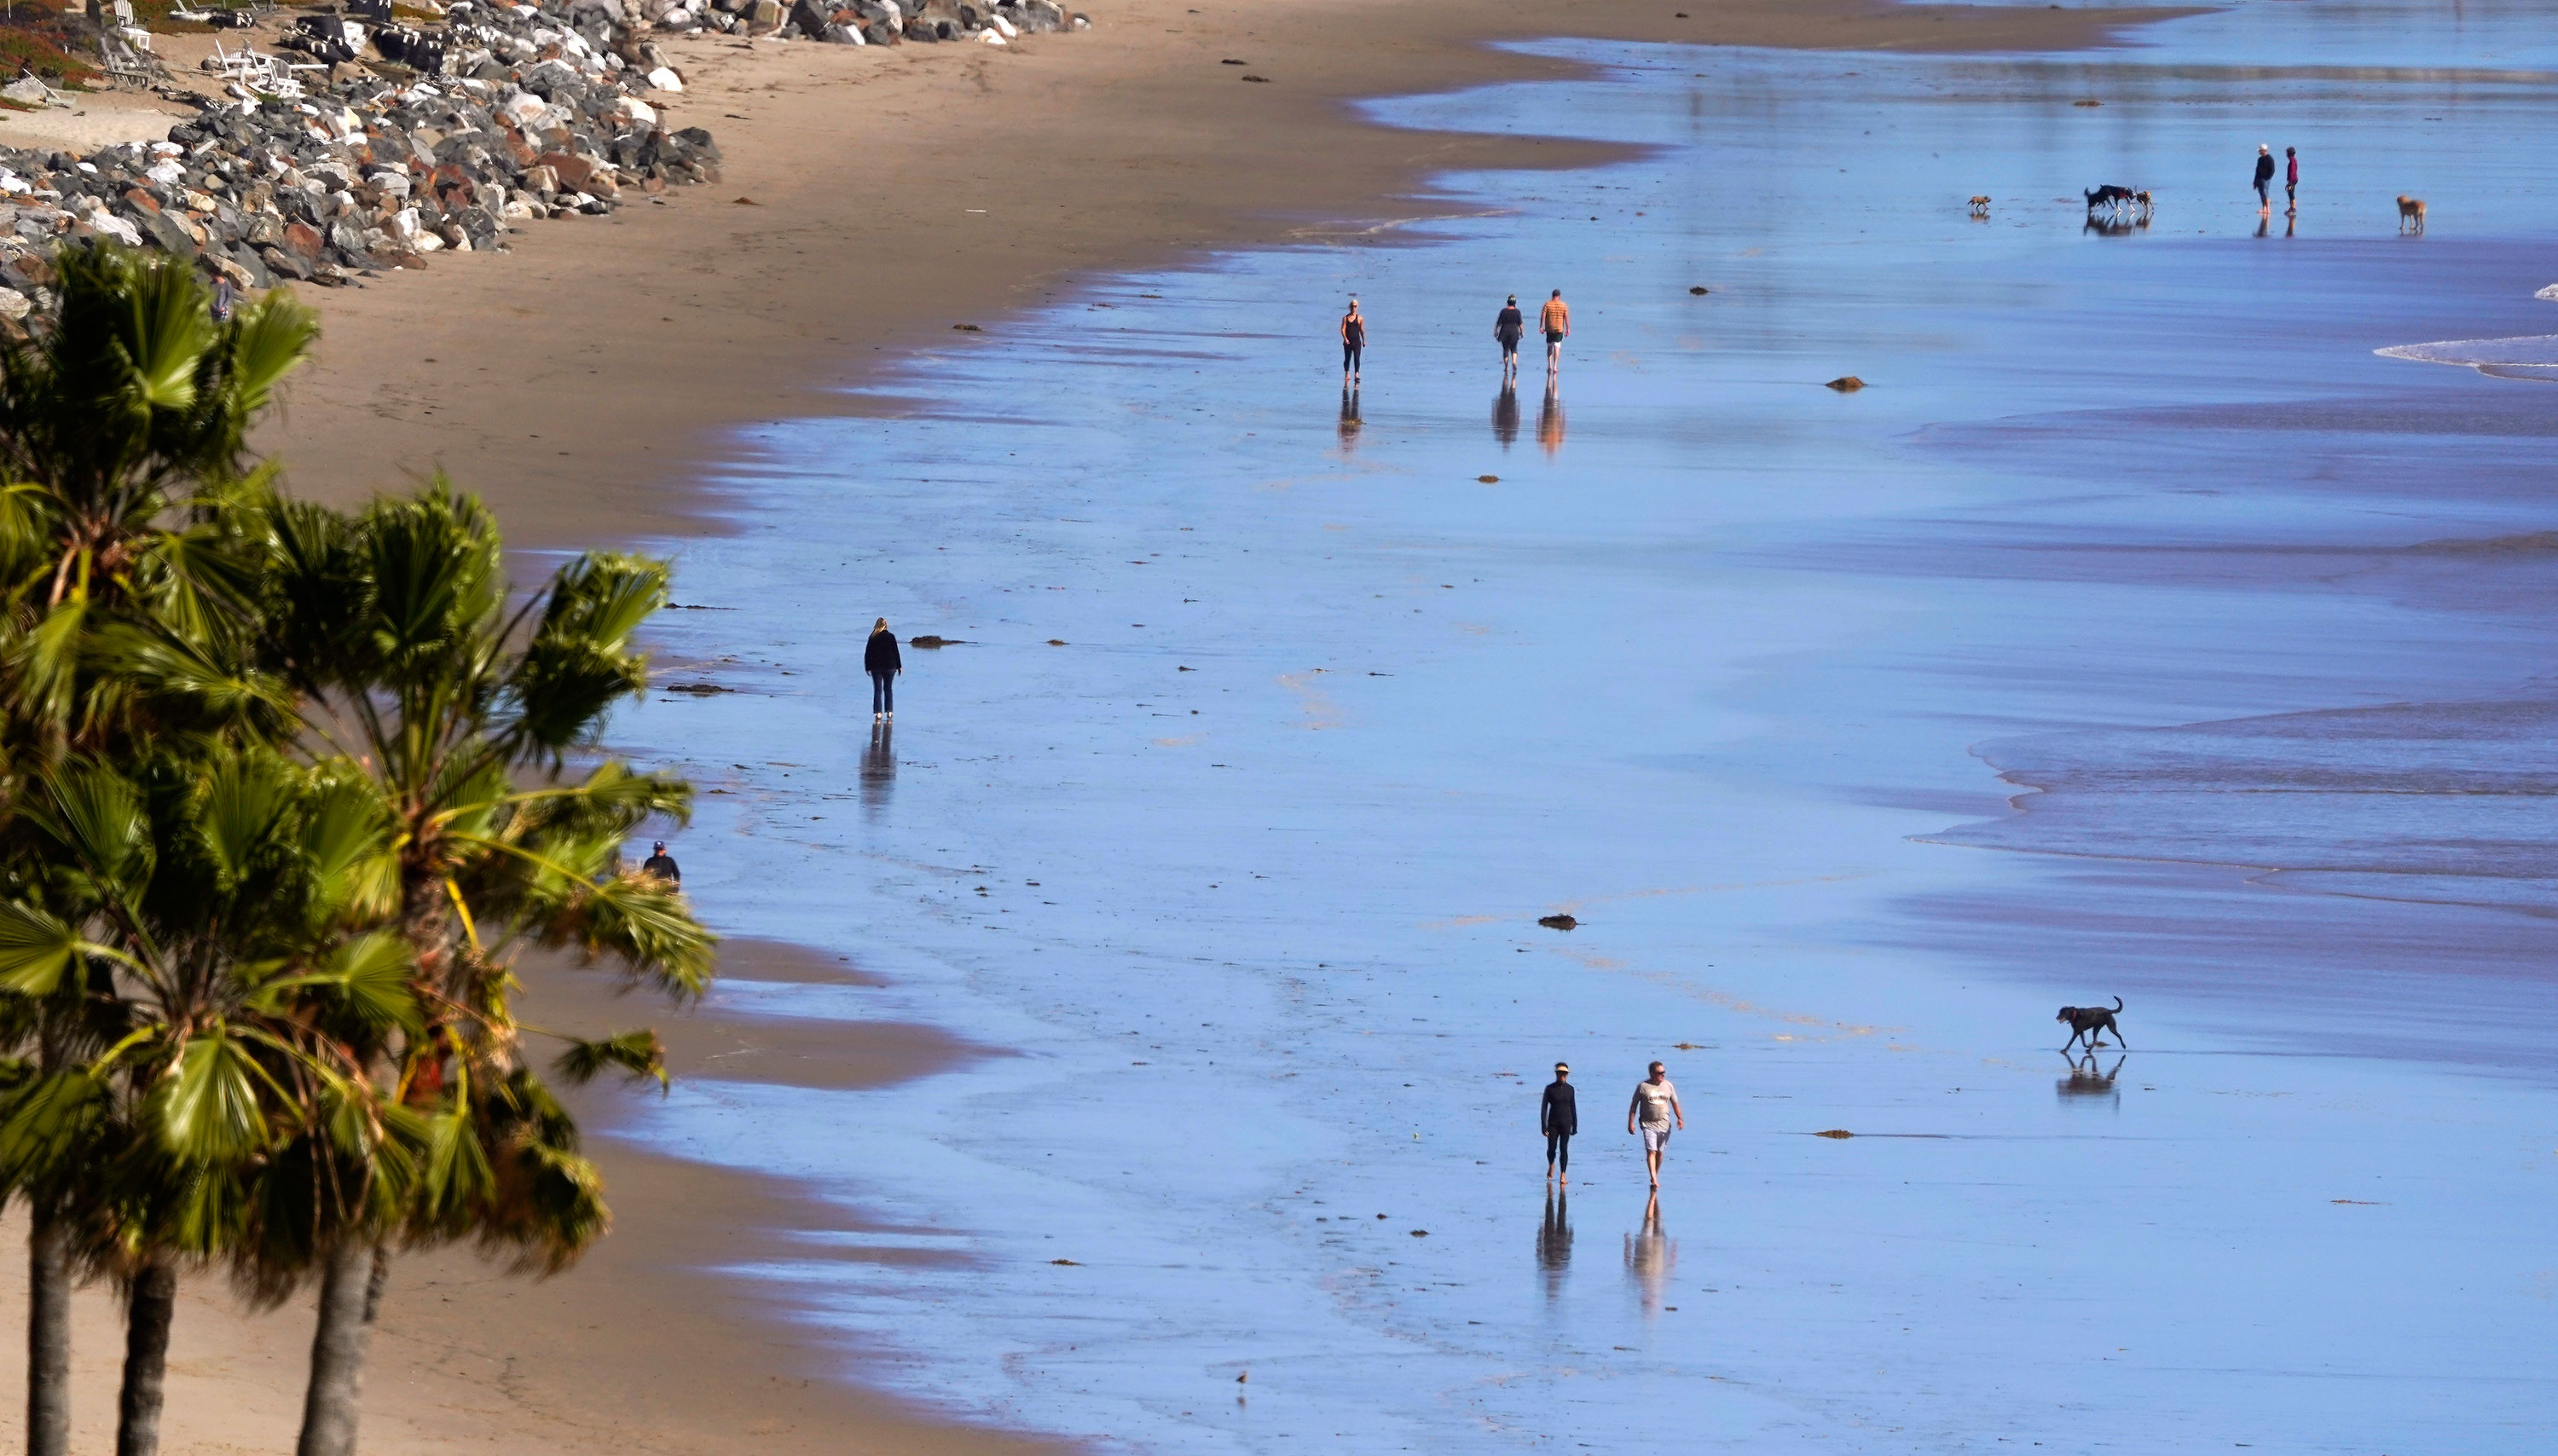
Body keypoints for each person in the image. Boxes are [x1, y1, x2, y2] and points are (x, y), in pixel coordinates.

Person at [1626, 1060, 1683, 1188]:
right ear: (1652, 1074)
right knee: (1652, 1151)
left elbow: (1675, 1103)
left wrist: (1680, 1118)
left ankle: (1655, 1175)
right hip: (1648, 1124)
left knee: (1660, 1153)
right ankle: (1653, 1178)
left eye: (1664, 1072)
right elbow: (1634, 1106)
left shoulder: (1668, 1086)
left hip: (1664, 1124)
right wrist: (1631, 1123)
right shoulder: (1643, 1086)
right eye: (1659, 1073)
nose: (1662, 1075)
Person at [1540, 1062, 1577, 1184]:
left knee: (1564, 1149)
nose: (1563, 1076)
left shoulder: (1570, 1089)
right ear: (1556, 1074)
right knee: (1551, 1148)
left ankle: (1562, 1175)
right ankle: (1551, 1164)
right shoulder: (1550, 1089)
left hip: (1566, 1122)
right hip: (1553, 1123)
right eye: (1561, 1073)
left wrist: (1575, 1125)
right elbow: (1544, 1108)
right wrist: (1543, 1125)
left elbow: (1573, 1107)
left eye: (1565, 1074)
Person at [865, 617, 901, 722]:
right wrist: (899, 666)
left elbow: (868, 654)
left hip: (876, 667)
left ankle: (878, 713)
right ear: (885, 626)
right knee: (888, 689)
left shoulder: (872, 637)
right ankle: (889, 711)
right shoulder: (891, 637)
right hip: (890, 667)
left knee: (877, 690)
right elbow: (896, 652)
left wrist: (867, 667)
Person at [1538, 289, 1571, 377]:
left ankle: (1549, 365)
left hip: (1549, 328)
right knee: (1557, 346)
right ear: (1559, 296)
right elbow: (1566, 317)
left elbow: (1543, 316)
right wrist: (1568, 329)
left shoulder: (1547, 304)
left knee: (1549, 346)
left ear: (1552, 295)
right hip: (1559, 329)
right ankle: (1555, 366)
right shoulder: (1563, 305)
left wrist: (1541, 327)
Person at [1495, 294, 1525, 384]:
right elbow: (1520, 324)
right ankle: (1514, 362)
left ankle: (1506, 367)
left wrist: (1496, 331)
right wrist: (1522, 332)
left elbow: (1499, 323)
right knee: (1514, 349)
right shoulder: (1517, 312)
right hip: (1514, 332)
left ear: (1508, 302)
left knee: (1505, 350)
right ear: (1515, 303)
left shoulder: (1503, 311)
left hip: (1504, 332)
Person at [1340, 297, 1365, 384]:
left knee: (1357, 358)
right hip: (1348, 342)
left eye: (1355, 306)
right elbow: (1343, 329)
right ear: (1350, 306)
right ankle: (1347, 373)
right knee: (1347, 358)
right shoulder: (1345, 318)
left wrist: (1364, 340)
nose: (1353, 308)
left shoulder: (1359, 318)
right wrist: (1345, 338)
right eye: (1352, 306)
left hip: (1357, 341)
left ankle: (1357, 374)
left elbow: (1361, 330)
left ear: (1357, 307)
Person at [2252, 143, 2274, 215]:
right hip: (2259, 178)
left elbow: (2272, 170)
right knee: (2261, 193)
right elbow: (2257, 170)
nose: (2259, 152)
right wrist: (2255, 182)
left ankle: (2268, 209)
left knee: (2265, 193)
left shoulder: (2269, 159)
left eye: (2260, 151)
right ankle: (2264, 208)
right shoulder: (2260, 159)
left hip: (2266, 179)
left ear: (2264, 150)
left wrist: (2267, 177)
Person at [2284, 146, 2299, 212]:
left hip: (2292, 180)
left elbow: (2292, 171)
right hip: (2293, 179)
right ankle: (2292, 208)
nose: (2286, 155)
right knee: (2290, 193)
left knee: (2291, 193)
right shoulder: (2293, 160)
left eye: (2287, 153)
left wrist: (2290, 182)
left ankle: (2293, 208)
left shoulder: (2292, 161)